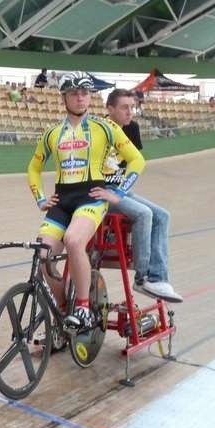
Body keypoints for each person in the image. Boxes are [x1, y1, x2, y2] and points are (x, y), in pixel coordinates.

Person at [27, 72, 145, 328]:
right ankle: (61, 309)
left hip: (91, 199)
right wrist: (40, 199)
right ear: (64, 98)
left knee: (73, 240)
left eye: (85, 93)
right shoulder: (52, 133)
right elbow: (33, 169)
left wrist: (118, 194)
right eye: (74, 93)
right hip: (61, 200)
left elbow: (137, 160)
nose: (80, 98)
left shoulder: (106, 127)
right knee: (43, 257)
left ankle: (82, 308)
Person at [89, 89, 183, 303]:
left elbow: (134, 164)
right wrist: (105, 192)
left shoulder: (132, 128)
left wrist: (121, 192)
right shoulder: (98, 130)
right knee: (144, 214)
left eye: (132, 107)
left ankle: (158, 278)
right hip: (101, 192)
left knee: (163, 216)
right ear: (109, 109)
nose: (130, 112)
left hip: (120, 191)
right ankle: (142, 278)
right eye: (124, 107)